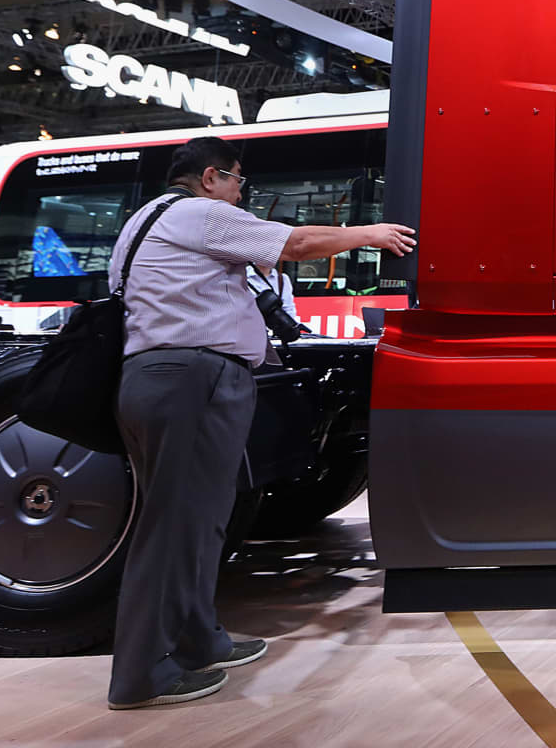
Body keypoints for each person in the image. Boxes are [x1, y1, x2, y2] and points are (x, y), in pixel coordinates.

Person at [104, 137, 416, 710]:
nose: (241, 191)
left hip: (167, 377)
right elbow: (294, 244)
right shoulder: (202, 214)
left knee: (200, 522)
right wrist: (370, 234)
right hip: (190, 377)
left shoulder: (142, 221)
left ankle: (199, 639)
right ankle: (141, 673)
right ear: (210, 177)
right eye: (237, 179)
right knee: (173, 527)